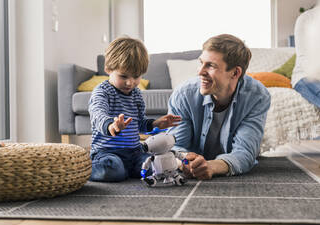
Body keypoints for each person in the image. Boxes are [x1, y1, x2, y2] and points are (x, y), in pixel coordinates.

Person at [168, 34, 271, 180]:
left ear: (235, 73)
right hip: (191, 159)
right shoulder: (184, 95)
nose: (200, 72)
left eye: (210, 65)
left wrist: (212, 166)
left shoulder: (257, 97)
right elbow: (176, 147)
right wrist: (184, 162)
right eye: (201, 63)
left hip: (223, 163)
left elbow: (245, 153)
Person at [89, 36, 181, 182]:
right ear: (108, 69)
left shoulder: (136, 94)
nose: (130, 82)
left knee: (155, 167)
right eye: (123, 76)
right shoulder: (102, 91)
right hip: (107, 153)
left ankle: (126, 171)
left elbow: (140, 124)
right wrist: (111, 125)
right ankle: (87, 169)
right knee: (113, 170)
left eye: (136, 77)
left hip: (134, 153)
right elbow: (97, 115)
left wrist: (156, 124)